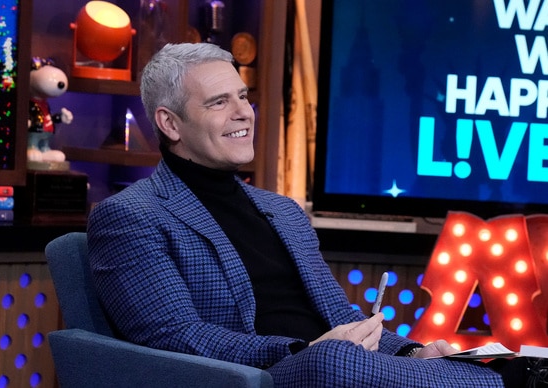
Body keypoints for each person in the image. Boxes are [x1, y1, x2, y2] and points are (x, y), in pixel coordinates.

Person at [87, 43, 547, 387]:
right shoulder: (131, 216)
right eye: (218, 102)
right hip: (259, 375)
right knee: (332, 361)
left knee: (406, 357)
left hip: (338, 367)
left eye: (243, 96)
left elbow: (339, 315)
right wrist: (303, 350)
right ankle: (512, 380)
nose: (243, 112)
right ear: (170, 124)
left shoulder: (282, 211)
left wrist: (412, 351)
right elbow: (175, 337)